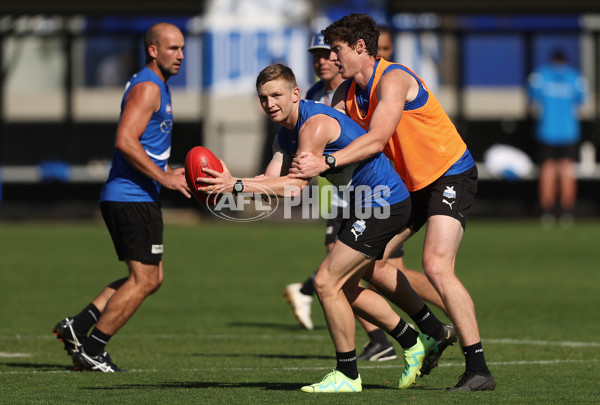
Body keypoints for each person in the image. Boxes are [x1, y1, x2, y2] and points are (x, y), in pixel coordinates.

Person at [198, 64, 448, 392]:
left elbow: (292, 189)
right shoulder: (283, 135)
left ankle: (348, 374)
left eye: (276, 95)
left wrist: (237, 186)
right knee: (345, 284)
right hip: (364, 203)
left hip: (382, 202)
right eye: (263, 98)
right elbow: (272, 179)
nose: (270, 103)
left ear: (296, 94)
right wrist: (233, 183)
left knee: (326, 282)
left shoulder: (312, 127)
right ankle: (417, 338)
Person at [289, 13, 495, 391]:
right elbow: (323, 135)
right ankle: (432, 331)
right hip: (407, 187)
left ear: (360, 47)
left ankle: (478, 367)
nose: (332, 59)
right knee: (368, 264)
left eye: (337, 50)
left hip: (449, 174)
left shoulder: (394, 79)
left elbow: (377, 140)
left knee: (435, 264)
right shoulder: (342, 95)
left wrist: (326, 161)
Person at [52, 22, 190, 372]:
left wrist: (168, 171)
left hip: (138, 194)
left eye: (183, 48)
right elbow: (125, 140)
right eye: (173, 48)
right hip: (131, 196)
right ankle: (93, 350)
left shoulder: (157, 85)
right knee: (144, 279)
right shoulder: (148, 87)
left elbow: (147, 146)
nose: (181, 55)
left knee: (150, 278)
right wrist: (164, 177)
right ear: (153, 50)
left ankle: (79, 326)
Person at [527, 48, 587, 227]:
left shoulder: (540, 76)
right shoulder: (575, 77)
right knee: (567, 169)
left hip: (547, 130)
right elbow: (582, 102)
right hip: (569, 131)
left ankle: (547, 212)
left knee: (548, 170)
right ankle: (567, 212)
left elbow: (532, 102)